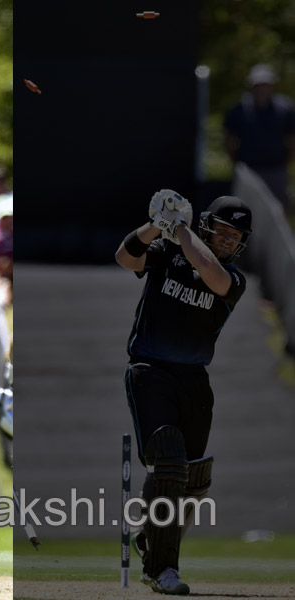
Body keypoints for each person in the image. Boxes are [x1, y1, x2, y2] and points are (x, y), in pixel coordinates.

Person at [114, 190, 253, 595]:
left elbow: (212, 274)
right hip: (150, 371)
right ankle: (162, 570)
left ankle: (149, 539)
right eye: (222, 232)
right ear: (208, 227)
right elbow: (126, 258)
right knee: (170, 461)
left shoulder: (234, 280)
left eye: (235, 237)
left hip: (195, 380)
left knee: (194, 481)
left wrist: (181, 231)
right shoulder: (169, 253)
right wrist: (157, 225)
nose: (227, 241)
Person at [223, 64, 295, 218]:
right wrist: (236, 164)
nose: (262, 89)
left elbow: (292, 137)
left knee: (281, 208)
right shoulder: (240, 109)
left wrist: (286, 162)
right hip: (248, 170)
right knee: (244, 210)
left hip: (276, 169)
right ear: (252, 86)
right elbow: (229, 139)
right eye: (258, 85)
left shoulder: (285, 108)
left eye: (266, 85)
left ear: (272, 86)